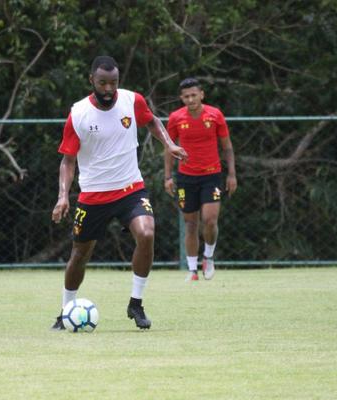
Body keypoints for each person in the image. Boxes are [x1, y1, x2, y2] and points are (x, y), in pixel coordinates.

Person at [51, 56, 187, 330]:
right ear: (92, 81)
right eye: (102, 83)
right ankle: (66, 310)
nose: (109, 89)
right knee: (80, 254)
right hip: (93, 196)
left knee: (147, 233)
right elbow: (68, 160)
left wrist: (169, 144)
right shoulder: (78, 113)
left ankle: (135, 304)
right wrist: (63, 196)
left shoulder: (131, 100)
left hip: (130, 189)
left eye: (113, 82)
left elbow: (151, 121)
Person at [164, 77, 237, 281]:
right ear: (181, 98)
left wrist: (231, 174)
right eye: (186, 96)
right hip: (186, 178)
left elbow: (227, 146)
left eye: (194, 95)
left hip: (211, 175)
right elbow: (169, 149)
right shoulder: (176, 118)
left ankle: (209, 256)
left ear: (201, 95)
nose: (190, 99)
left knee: (210, 220)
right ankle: (192, 270)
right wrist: (168, 177)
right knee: (191, 224)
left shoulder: (215, 115)